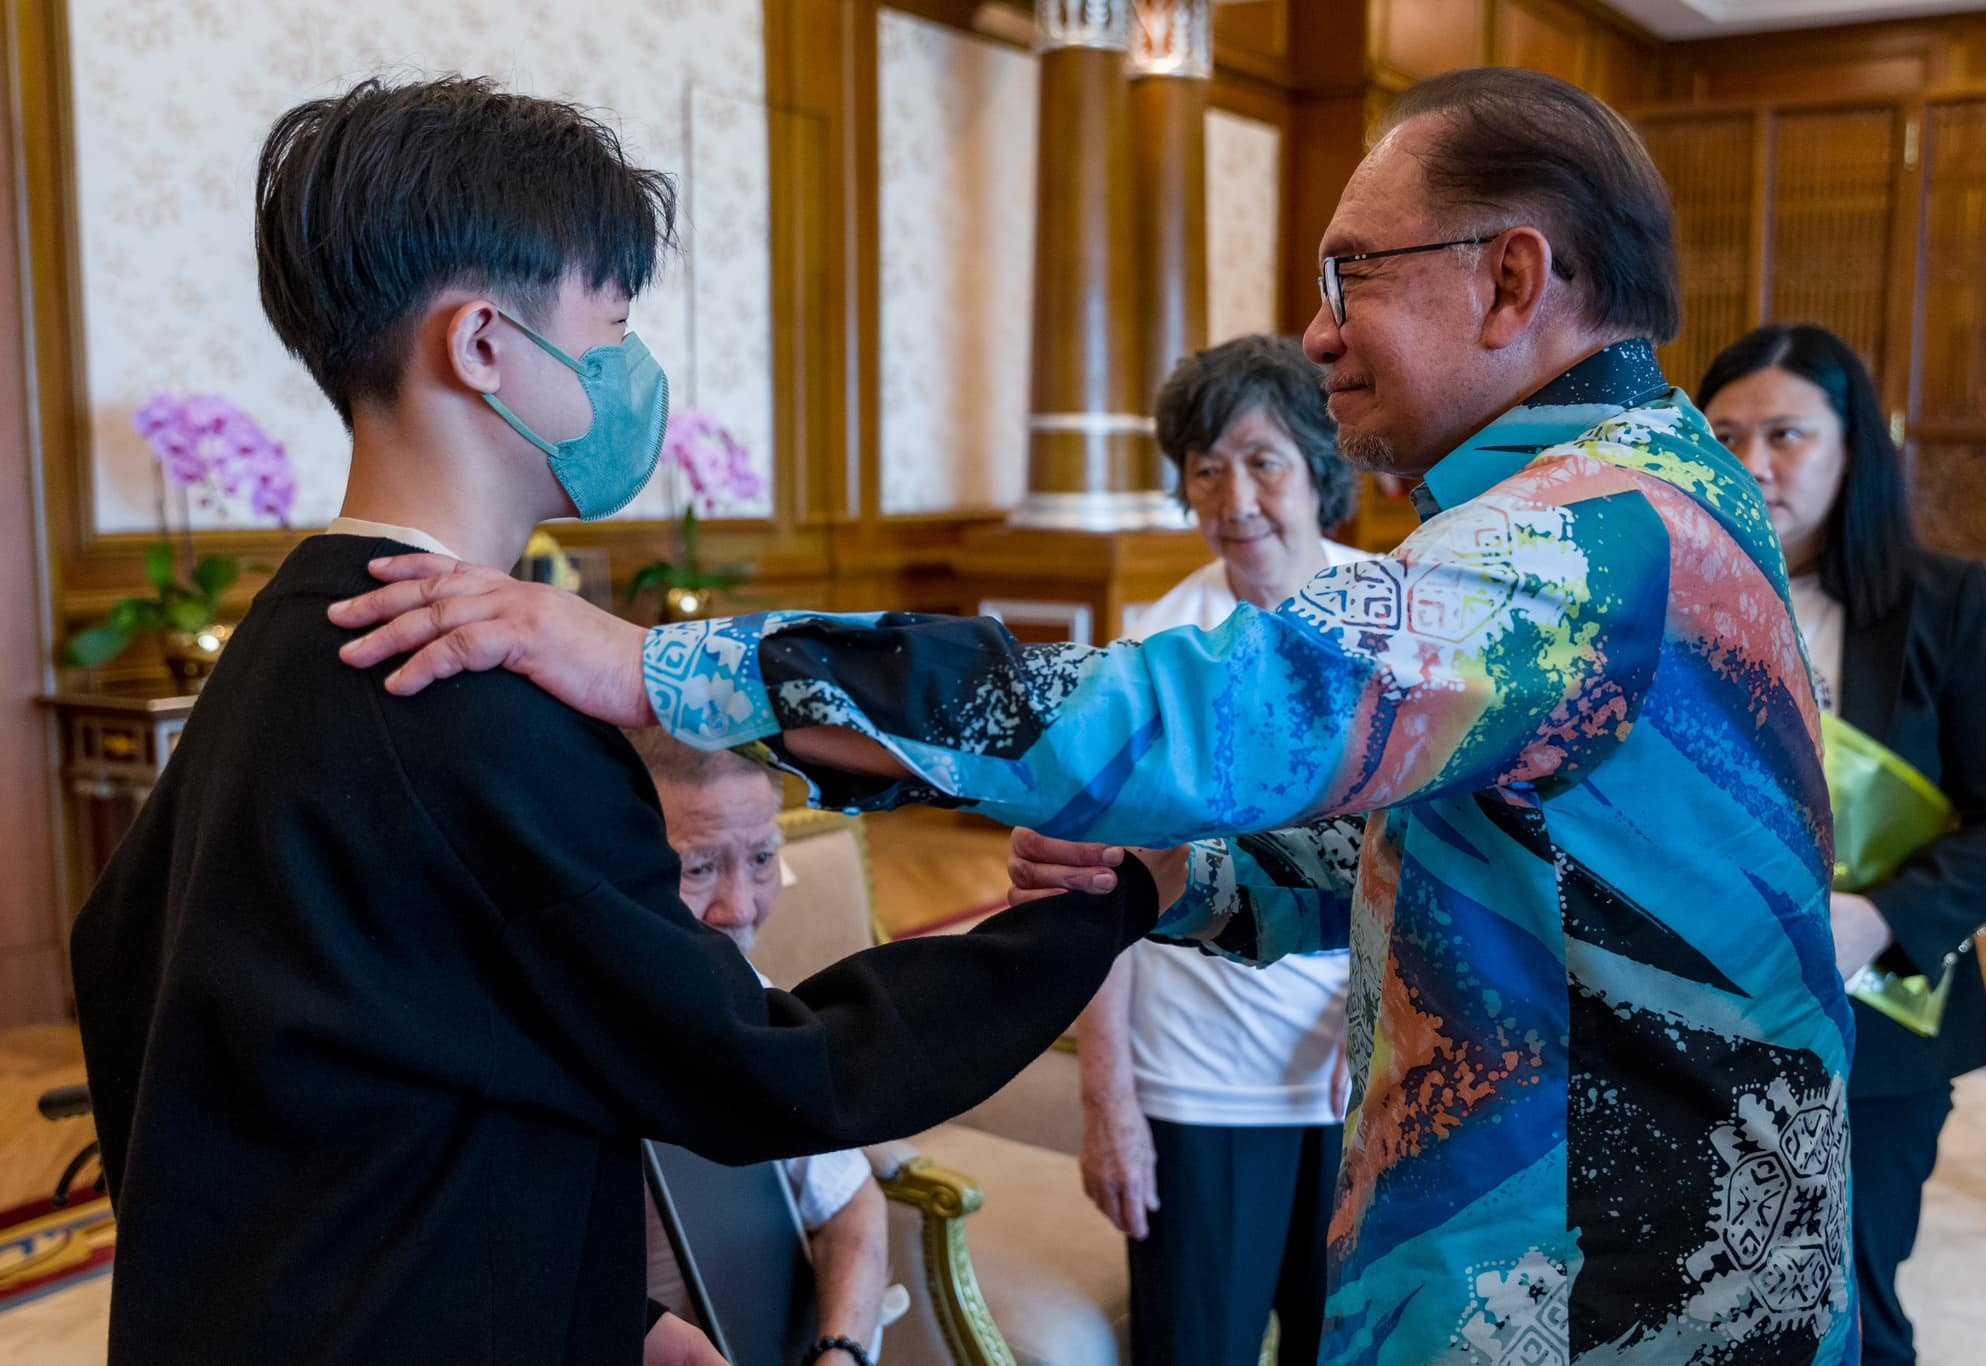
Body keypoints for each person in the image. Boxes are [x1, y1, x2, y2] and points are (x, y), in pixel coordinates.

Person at [333, 68, 1858, 1362]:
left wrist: (666, 671)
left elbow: (1192, 713)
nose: (1319, 333)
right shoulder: (1649, 503)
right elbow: (1496, 848)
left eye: (1353, 277)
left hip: (1607, 1291)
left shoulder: (1581, 543)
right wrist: (1184, 877)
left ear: (1513, 280)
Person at [66, 77, 1163, 1366]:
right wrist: (1102, 904)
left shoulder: (287, 636)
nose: (632, 369)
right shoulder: (462, 701)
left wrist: (597, 1311)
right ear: (483, 345)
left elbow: (257, 1042)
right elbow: (770, 1070)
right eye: (613, 322)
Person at [1700, 324, 1986, 1365]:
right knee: (1698, 1308)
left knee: (1847, 1309)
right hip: (1691, 1011)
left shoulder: (1942, 603)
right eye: (1724, 435)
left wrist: (1879, 918)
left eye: (1785, 435)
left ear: (1852, 449)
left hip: (1875, 1026)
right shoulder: (1671, 601)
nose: (1751, 463)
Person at [1084, 334, 1363, 1366]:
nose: (1234, 498)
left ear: (1319, 469)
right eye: (1206, 469)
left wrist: (1377, 1022)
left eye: (1262, 462)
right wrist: (1107, 1101)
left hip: (1363, 1077)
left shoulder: (1398, 619)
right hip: (1198, 1082)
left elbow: (1442, 860)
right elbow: (1098, 893)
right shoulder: (1157, 655)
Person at [625, 731, 895, 1361]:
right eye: (698, 868)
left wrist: (842, 1352)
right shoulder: (524, 1042)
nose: (741, 909)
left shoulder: (755, 1005)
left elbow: (850, 1201)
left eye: (762, 859)